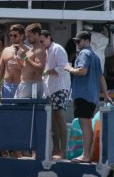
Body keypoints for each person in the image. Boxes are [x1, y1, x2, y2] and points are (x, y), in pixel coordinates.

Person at [65, 30, 112, 162]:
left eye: (78, 41)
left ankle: (86, 155)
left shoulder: (84, 53)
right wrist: (106, 95)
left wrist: (69, 68)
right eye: (75, 41)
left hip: (83, 95)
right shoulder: (95, 56)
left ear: (87, 41)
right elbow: (101, 77)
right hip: (91, 96)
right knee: (87, 123)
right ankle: (88, 154)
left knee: (84, 124)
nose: (77, 44)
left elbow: (82, 71)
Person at [40, 30, 71, 158]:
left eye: (42, 41)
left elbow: (63, 68)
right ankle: (56, 150)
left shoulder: (58, 49)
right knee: (53, 121)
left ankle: (63, 151)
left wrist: (46, 72)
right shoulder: (46, 51)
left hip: (60, 88)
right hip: (50, 90)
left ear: (49, 38)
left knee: (60, 119)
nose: (41, 44)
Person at [14, 23, 46, 99]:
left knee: (22, 109)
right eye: (27, 36)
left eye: (29, 36)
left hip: (31, 85)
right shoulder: (31, 50)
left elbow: (40, 68)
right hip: (26, 85)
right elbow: (23, 68)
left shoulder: (39, 50)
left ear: (37, 35)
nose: (27, 39)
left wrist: (25, 58)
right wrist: (18, 58)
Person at [0, 24, 26, 100]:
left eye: (15, 35)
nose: (12, 37)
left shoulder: (27, 50)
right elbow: (0, 69)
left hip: (21, 86)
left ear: (21, 36)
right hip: (6, 86)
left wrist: (19, 64)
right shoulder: (6, 50)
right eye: (10, 35)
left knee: (20, 111)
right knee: (7, 110)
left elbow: (30, 71)